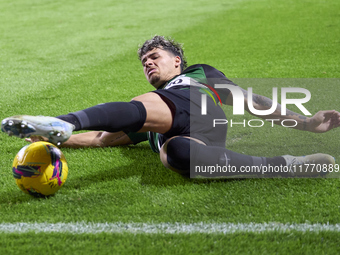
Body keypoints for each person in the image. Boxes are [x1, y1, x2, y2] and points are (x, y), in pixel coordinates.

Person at [2, 35, 340, 178]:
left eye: (155, 57)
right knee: (175, 155)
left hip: (199, 112)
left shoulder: (197, 75)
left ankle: (62, 120)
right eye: (144, 62)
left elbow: (253, 103)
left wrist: (306, 122)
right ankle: (285, 164)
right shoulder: (147, 115)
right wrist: (46, 141)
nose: (149, 64)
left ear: (176, 61)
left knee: (142, 107)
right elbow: (103, 138)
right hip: (195, 141)